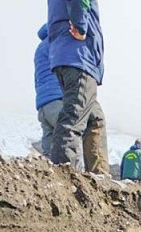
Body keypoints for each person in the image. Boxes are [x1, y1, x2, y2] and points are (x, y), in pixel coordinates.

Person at [47, 0, 108, 174]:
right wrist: (81, 26)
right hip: (78, 55)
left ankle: (98, 175)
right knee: (74, 116)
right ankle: (64, 173)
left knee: (95, 118)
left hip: (68, 55)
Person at [34, 24, 63, 158]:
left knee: (49, 147)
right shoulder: (55, 43)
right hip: (58, 98)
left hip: (43, 103)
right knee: (67, 139)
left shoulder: (39, 49)